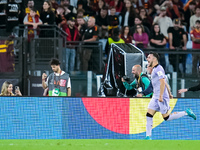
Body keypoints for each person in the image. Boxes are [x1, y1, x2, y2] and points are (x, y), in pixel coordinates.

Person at [144, 52, 196, 140]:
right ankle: (148, 136)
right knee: (149, 115)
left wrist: (161, 96)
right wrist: (169, 92)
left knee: (167, 118)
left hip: (161, 97)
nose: (147, 59)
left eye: (149, 57)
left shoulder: (159, 69)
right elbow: (165, 82)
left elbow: (162, 82)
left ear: (154, 59)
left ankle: (186, 112)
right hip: (155, 97)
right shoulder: (155, 69)